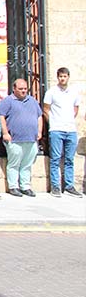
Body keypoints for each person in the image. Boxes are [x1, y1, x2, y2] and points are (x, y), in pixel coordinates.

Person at [0, 78, 43, 197]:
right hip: (15, 139)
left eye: (25, 89)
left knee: (27, 164)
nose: (23, 91)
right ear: (14, 89)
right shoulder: (7, 101)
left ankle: (25, 186)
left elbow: (39, 116)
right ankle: (13, 186)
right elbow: (1, 117)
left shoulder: (32, 101)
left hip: (31, 139)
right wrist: (5, 133)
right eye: (20, 89)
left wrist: (39, 131)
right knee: (14, 163)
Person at [43, 67, 82, 198]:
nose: (62, 78)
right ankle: (55, 186)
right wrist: (53, 122)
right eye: (60, 76)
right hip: (56, 129)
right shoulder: (51, 92)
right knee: (56, 158)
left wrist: (69, 119)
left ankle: (69, 186)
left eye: (65, 76)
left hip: (71, 129)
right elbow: (46, 109)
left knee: (69, 159)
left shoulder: (74, 92)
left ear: (68, 77)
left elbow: (76, 108)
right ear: (57, 77)